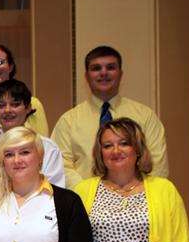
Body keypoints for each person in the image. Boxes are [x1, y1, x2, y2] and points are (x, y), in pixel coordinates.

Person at [52, 46, 169, 187]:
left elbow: (158, 165)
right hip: (83, 203)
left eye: (110, 67)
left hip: (139, 202)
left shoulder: (145, 116)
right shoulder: (68, 121)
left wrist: (137, 194)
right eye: (96, 68)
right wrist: (89, 193)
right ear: (86, 76)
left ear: (120, 74)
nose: (103, 73)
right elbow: (60, 166)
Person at [0, 79, 65, 198]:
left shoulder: (48, 149)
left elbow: (54, 196)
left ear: (28, 108)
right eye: (1, 105)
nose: (7, 110)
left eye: (15, 104)